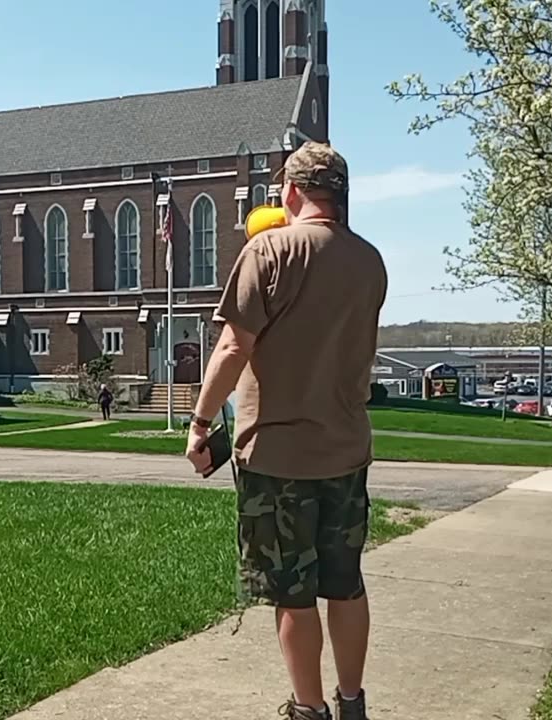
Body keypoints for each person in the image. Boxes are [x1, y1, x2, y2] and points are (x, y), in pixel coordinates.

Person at [186, 142, 387, 720]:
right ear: (341, 196)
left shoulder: (268, 251)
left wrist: (201, 422)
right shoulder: (370, 262)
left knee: (293, 595)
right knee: (346, 583)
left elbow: (231, 347)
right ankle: (352, 704)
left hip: (277, 459)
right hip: (347, 453)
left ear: (292, 193)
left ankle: (309, 709)